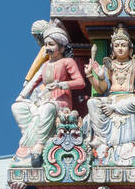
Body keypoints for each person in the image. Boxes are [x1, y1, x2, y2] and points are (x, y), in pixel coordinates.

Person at [12, 24, 85, 165]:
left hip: (61, 103)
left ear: (62, 47)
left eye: (51, 44)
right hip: (43, 99)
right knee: (17, 107)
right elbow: (33, 82)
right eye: (46, 45)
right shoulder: (45, 66)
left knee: (48, 108)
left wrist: (61, 84)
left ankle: (39, 144)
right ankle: (28, 137)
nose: (47, 48)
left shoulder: (67, 62)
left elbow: (80, 82)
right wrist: (21, 97)